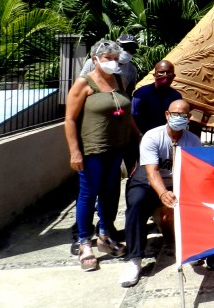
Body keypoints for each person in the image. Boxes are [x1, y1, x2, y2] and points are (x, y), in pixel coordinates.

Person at [64, 39, 138, 271]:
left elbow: (126, 113)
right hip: (92, 150)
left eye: (115, 58)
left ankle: (105, 235)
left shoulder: (119, 80)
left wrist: (138, 135)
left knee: (110, 193)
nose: (112, 62)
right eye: (107, 58)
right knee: (88, 193)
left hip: (116, 147)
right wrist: (75, 152)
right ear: (95, 59)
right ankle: (85, 241)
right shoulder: (83, 84)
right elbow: (69, 120)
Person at [119, 99, 202, 287]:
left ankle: (191, 248)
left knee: (198, 203)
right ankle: (135, 260)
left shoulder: (193, 141)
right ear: (167, 115)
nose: (178, 118)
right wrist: (163, 193)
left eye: (183, 115)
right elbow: (152, 171)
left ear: (188, 118)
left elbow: (197, 170)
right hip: (148, 181)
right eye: (175, 114)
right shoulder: (152, 136)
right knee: (137, 204)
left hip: (177, 181)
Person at [128, 60, 183, 173]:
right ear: (154, 75)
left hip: (165, 142)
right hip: (142, 140)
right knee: (140, 174)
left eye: (169, 73)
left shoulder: (176, 96)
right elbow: (132, 118)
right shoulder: (141, 94)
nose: (165, 75)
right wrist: (140, 137)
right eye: (161, 72)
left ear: (174, 76)